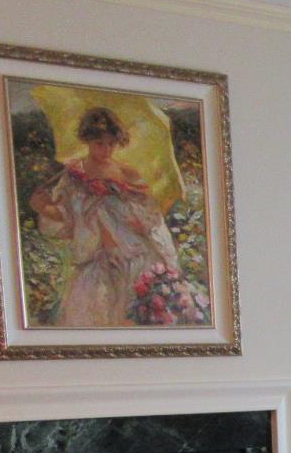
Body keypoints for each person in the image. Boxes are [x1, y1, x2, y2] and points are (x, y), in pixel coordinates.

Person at [28, 106, 181, 327]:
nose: (106, 149)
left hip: (133, 254)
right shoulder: (73, 175)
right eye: (99, 143)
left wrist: (137, 219)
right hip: (96, 258)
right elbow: (65, 216)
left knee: (132, 314)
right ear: (88, 141)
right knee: (93, 315)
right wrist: (42, 207)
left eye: (111, 143)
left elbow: (150, 214)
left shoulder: (127, 174)